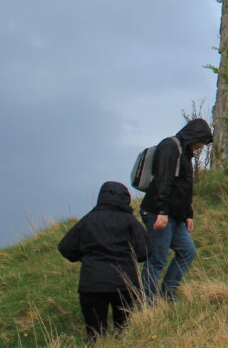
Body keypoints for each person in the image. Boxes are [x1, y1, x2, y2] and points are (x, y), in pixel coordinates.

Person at [58, 181, 149, 341]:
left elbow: (65, 247)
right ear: (125, 198)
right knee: (125, 334)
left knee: (95, 336)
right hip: (124, 283)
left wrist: (85, 257)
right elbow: (145, 252)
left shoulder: (88, 220)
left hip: (91, 283)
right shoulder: (130, 221)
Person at [139, 118, 213, 302]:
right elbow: (163, 181)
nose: (202, 146)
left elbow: (184, 187)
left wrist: (188, 214)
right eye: (202, 141)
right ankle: (145, 304)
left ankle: (167, 295)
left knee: (188, 252)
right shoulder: (169, 146)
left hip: (176, 216)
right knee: (157, 259)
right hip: (159, 213)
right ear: (195, 135)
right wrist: (162, 211)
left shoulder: (185, 153)